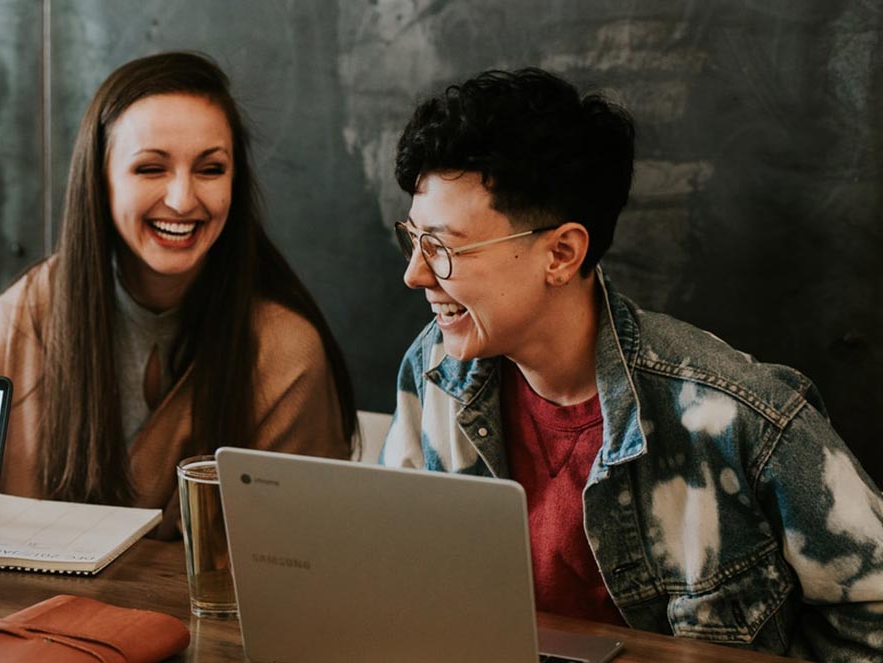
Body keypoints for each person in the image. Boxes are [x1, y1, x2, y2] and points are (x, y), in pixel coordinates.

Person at [376, 68, 883, 660]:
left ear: (561, 254)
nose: (413, 273)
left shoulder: (738, 416)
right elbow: (395, 573)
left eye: (441, 247)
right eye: (412, 239)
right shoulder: (435, 368)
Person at [0, 52, 357, 538]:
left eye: (211, 169)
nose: (182, 199)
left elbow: (304, 558)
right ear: (101, 181)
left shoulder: (285, 352)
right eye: (151, 169)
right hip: (25, 613)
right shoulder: (37, 305)